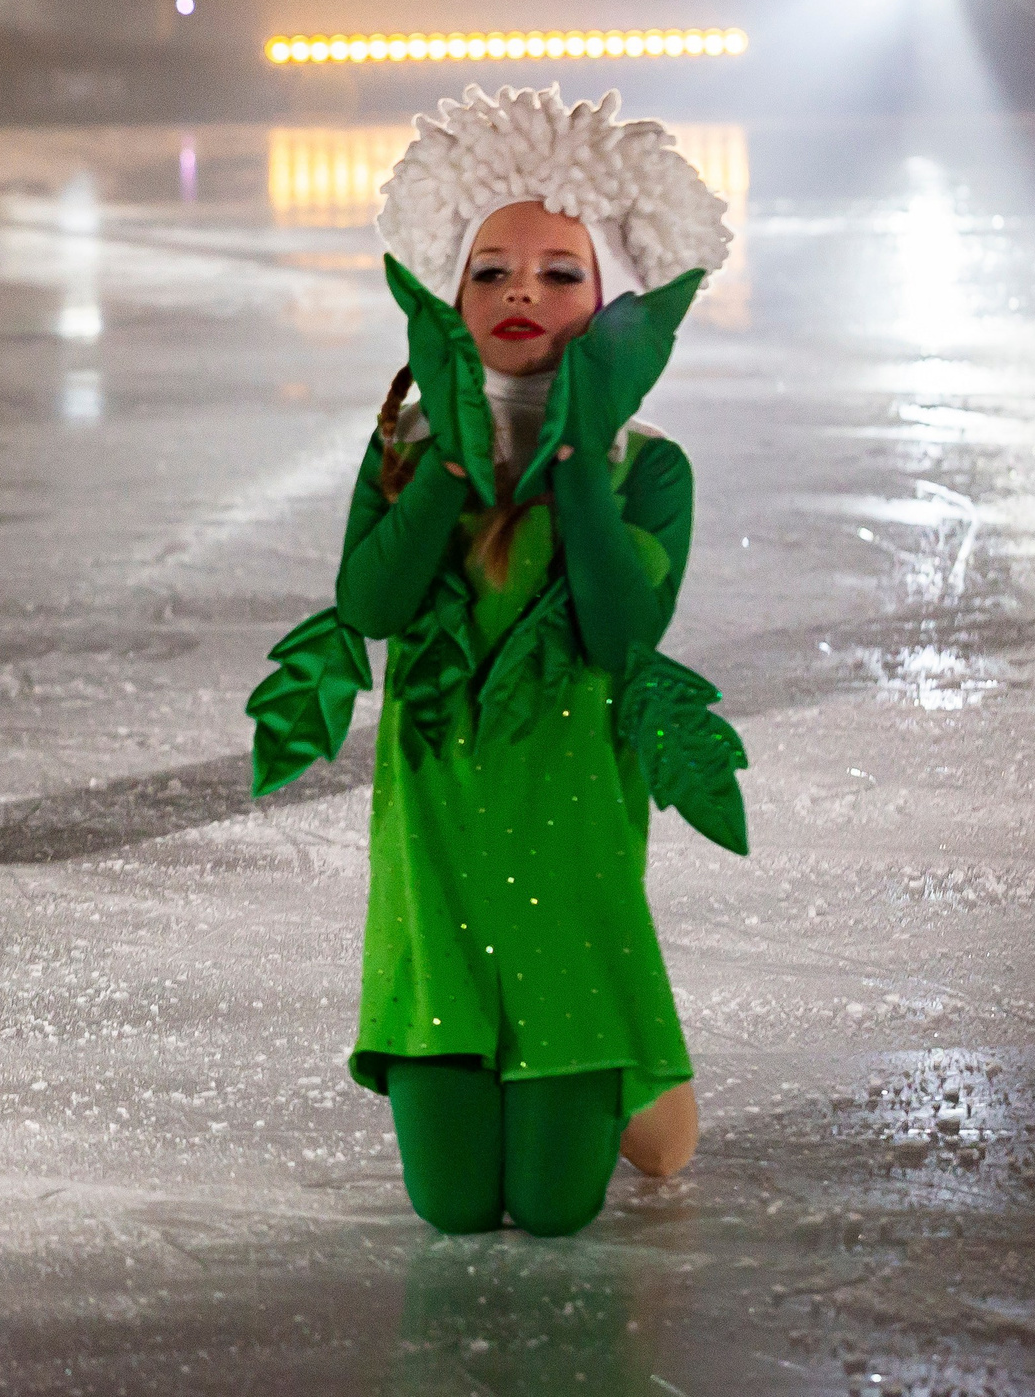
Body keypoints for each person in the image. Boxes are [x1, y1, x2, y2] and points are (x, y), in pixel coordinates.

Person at [245, 84, 749, 1237]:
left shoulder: (644, 467)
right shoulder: (404, 447)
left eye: (560, 272)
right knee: (458, 1207)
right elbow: (365, 601)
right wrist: (447, 470)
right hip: (439, 851)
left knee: (557, 1210)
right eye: (490, 270)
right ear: (447, 294)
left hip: (571, 850)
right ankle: (609, 1061)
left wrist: (569, 453)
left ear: (614, 302)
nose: (521, 289)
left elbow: (624, 630)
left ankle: (632, 1067)